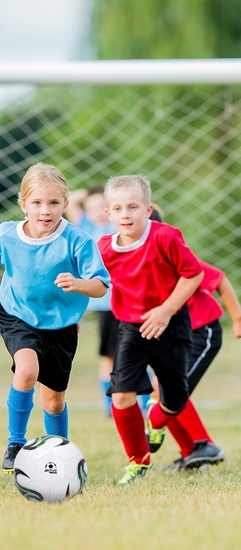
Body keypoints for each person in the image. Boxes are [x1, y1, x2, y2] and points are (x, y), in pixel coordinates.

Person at [0, 162, 110, 474]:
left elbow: (100, 286)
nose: (45, 211)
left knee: (54, 401)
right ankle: (15, 441)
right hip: (17, 314)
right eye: (37, 203)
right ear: (23, 204)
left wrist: (79, 284)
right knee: (27, 369)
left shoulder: (78, 240)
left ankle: (61, 453)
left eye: (54, 203)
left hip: (61, 325)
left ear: (66, 204)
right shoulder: (8, 234)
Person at [97, 174, 204, 485]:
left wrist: (166, 310)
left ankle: (156, 419)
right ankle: (138, 461)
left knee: (175, 399)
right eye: (117, 208)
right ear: (108, 214)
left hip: (171, 326)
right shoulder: (104, 247)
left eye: (132, 207)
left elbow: (193, 274)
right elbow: (95, 282)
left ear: (147, 209)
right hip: (131, 328)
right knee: (121, 395)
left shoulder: (166, 237)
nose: (125, 214)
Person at [147, 208, 241, 472]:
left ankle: (202, 444)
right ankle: (194, 452)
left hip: (203, 332)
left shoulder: (175, 255)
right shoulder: (135, 263)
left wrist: (237, 319)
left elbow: (220, 279)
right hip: (174, 336)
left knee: (170, 391)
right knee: (162, 390)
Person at [66, 187, 121, 416]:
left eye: (102, 207)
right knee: (109, 355)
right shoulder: (85, 228)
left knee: (137, 353)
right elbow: (70, 201)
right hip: (106, 304)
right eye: (92, 208)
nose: (97, 212)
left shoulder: (118, 225)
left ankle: (144, 401)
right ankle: (110, 405)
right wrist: (89, 193)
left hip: (130, 302)